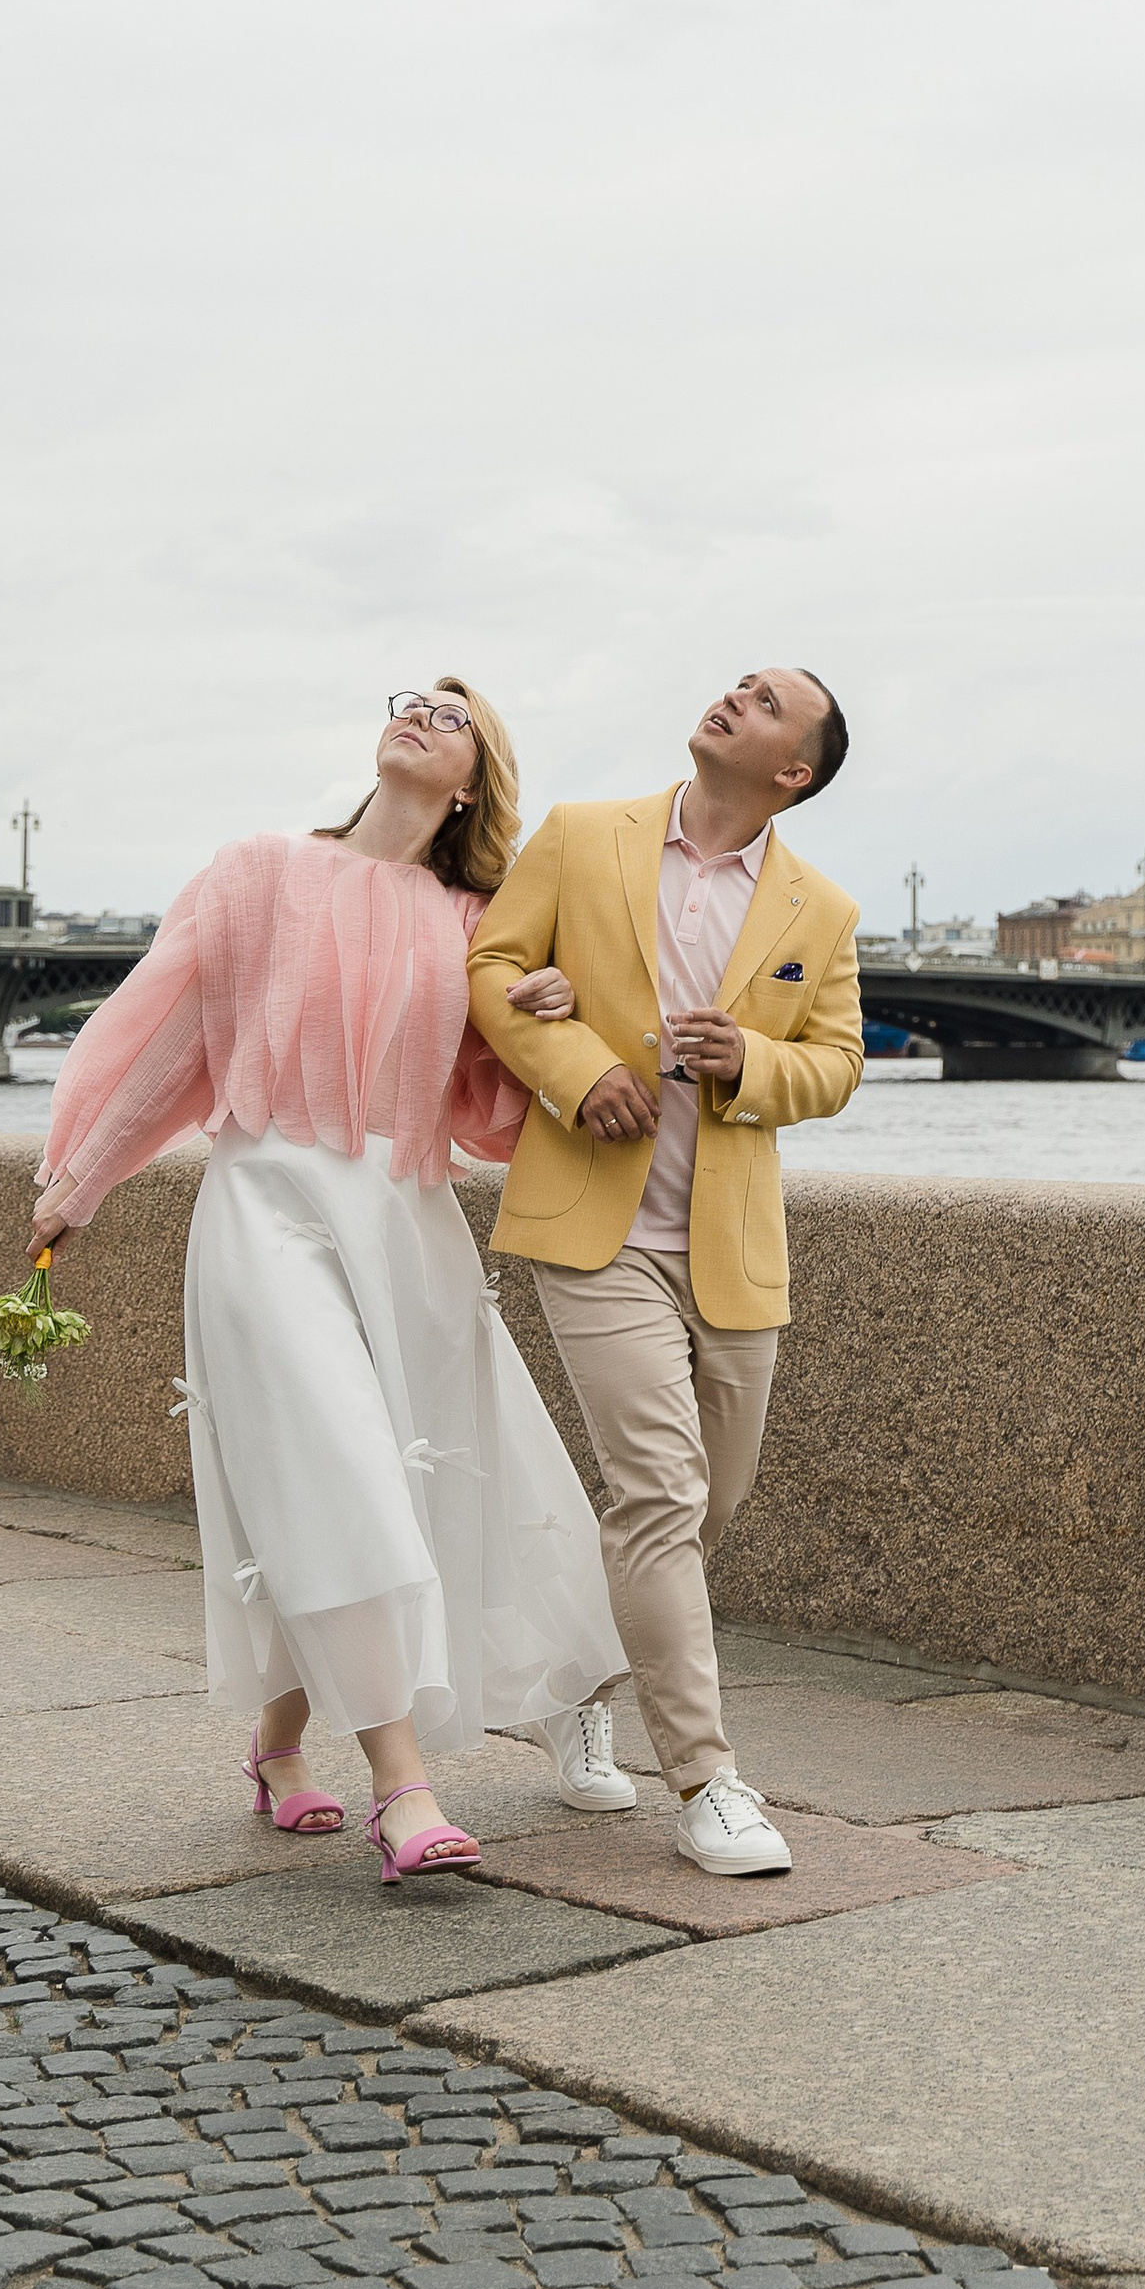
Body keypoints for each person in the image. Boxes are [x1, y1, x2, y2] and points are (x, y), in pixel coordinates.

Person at [26, 680, 630, 1885]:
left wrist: (546, 1010)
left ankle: (279, 1743)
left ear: (471, 782)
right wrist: (76, 1180)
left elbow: (494, 1119)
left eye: (450, 716)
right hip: (266, 1207)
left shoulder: (473, 924)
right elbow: (166, 1043)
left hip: (406, 1225)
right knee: (344, 1472)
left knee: (366, 1490)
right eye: (409, 698)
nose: (418, 714)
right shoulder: (255, 871)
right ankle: (403, 1788)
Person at [468, 667, 862, 1876]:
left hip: (732, 1252)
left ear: (791, 772)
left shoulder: (821, 910)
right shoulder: (585, 837)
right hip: (595, 1233)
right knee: (657, 1495)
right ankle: (708, 1782)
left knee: (700, 1509)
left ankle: (570, 1687)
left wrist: (748, 1056)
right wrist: (575, 1063)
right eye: (736, 684)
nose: (733, 697)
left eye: (765, 702)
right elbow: (491, 968)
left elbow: (837, 1065)